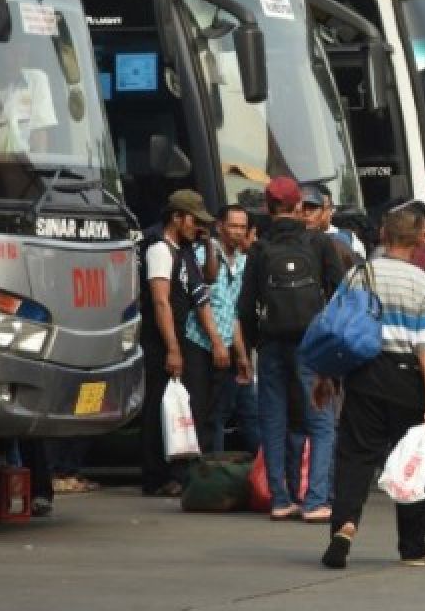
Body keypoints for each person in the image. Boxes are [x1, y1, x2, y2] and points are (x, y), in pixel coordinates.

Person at [318, 205, 425, 569]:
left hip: (363, 375)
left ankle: (344, 526)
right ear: (421, 239)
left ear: (385, 236)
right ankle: (414, 548)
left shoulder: (360, 274)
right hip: (408, 380)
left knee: (355, 457)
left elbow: (336, 329)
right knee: (412, 461)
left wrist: (324, 376)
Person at [237, 177, 345, 522]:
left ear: (268, 208)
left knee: (273, 417)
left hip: (271, 343)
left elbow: (246, 305)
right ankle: (315, 500)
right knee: (321, 420)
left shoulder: (260, 248)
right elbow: (340, 293)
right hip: (312, 344)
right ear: (298, 205)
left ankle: (280, 499)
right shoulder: (317, 243)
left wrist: (255, 344)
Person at [139, 190, 231, 497]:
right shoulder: (159, 251)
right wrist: (173, 348)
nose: (197, 227)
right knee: (156, 406)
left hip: (177, 334)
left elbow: (203, 293)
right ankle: (155, 476)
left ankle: (175, 472)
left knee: (179, 405)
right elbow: (160, 302)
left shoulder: (187, 251)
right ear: (177, 218)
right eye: (194, 221)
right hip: (160, 338)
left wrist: (217, 341)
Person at [187, 204, 258, 454]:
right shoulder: (203, 254)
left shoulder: (241, 262)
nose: (238, 232)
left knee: (221, 413)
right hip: (201, 344)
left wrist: (240, 355)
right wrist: (217, 342)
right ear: (220, 227)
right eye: (233, 226)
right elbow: (201, 304)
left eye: (242, 227)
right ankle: (206, 476)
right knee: (206, 416)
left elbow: (233, 313)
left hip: (226, 349)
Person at [301, 182, 367, 261]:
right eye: (305, 207)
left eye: (314, 207)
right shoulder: (295, 238)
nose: (307, 212)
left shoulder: (347, 237)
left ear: (331, 209)